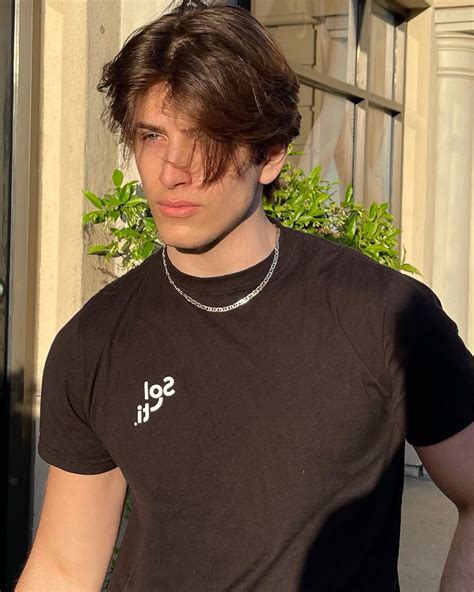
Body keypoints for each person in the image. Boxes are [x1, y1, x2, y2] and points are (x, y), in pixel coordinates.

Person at [15, 1, 474, 591]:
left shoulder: (381, 315)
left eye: (206, 136)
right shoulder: (95, 341)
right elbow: (64, 566)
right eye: (153, 135)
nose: (172, 171)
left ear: (270, 154)